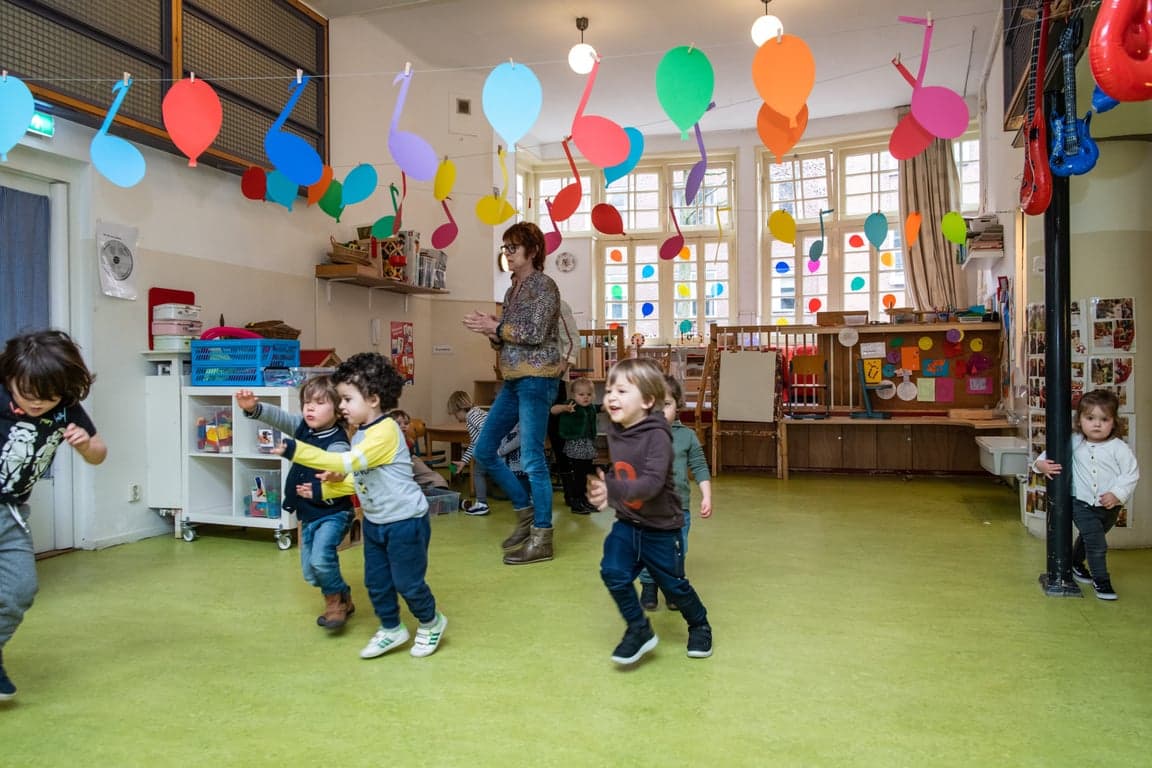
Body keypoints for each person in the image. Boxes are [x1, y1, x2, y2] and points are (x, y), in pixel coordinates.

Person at [276, 352, 447, 658]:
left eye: (347, 399)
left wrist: (294, 450)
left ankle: (431, 623)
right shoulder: (362, 434)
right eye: (340, 400)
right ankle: (392, 629)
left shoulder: (384, 432)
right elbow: (362, 479)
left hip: (405, 521)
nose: (341, 406)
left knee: (407, 583)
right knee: (376, 582)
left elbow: (348, 461)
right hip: (376, 521)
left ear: (373, 399)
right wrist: (332, 483)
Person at [0, 330, 107, 701]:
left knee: (20, 589)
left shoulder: (66, 410)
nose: (36, 404)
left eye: (46, 399)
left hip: (12, 513)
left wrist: (85, 445)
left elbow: (99, 453)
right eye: (25, 395)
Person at [588, 358, 712, 666]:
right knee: (613, 572)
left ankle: (700, 625)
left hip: (662, 529)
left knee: (674, 586)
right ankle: (639, 629)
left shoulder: (658, 435)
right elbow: (623, 471)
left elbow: (652, 483)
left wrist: (613, 489)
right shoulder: (615, 428)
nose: (611, 397)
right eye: (609, 390)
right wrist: (609, 489)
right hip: (629, 523)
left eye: (622, 391)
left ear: (646, 401)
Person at [463, 222, 562, 565]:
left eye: (512, 248)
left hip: (538, 379)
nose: (506, 253)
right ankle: (525, 513)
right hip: (514, 379)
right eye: (504, 248)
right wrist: (490, 330)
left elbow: (534, 333)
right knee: (485, 450)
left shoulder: (543, 286)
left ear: (532, 251)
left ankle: (543, 536)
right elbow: (508, 337)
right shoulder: (511, 291)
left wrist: (498, 327)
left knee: (533, 458)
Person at [237, 376, 356, 630]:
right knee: (310, 572)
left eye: (319, 403)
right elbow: (278, 417)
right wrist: (252, 408)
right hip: (308, 512)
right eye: (306, 403)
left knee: (322, 559)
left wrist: (334, 474)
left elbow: (339, 462)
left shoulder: (337, 441)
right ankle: (343, 594)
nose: (309, 408)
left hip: (334, 512)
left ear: (336, 410)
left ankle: (335, 603)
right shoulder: (302, 427)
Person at [1033, 389, 1139, 600]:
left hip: (1110, 507)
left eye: (1104, 419)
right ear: (1080, 420)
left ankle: (1075, 562)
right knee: (1097, 543)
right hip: (1080, 503)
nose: (1097, 424)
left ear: (1113, 422)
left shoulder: (1119, 448)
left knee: (1090, 538)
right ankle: (1102, 582)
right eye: (1090, 418)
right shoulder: (1074, 442)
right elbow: (1044, 458)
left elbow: (1131, 474)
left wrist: (1117, 494)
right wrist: (1040, 465)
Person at [638, 375, 713, 611]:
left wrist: (706, 495)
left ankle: (672, 587)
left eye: (666, 405)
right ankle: (649, 586)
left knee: (678, 550)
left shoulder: (686, 436)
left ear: (678, 405)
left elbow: (699, 466)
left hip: (678, 509)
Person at [550, 377, 600, 513]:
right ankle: (576, 501)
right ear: (573, 395)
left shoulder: (590, 408)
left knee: (586, 474)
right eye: (581, 395)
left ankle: (584, 500)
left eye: (589, 395)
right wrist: (565, 408)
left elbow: (598, 409)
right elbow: (553, 410)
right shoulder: (571, 405)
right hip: (576, 447)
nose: (585, 398)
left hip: (587, 445)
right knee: (578, 475)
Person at [446, 391, 489, 515]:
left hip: (490, 449)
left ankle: (481, 504)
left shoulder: (472, 415)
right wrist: (464, 461)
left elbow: (484, 430)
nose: (456, 417)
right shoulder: (477, 412)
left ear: (460, 408)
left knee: (478, 472)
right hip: (491, 448)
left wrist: (481, 447)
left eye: (455, 414)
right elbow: (474, 442)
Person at [389, 409, 449, 491]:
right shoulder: (388, 441)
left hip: (410, 460)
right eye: (398, 424)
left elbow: (410, 456)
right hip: (396, 466)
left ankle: (442, 492)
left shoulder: (409, 441)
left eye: (406, 423)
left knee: (435, 478)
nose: (403, 426)